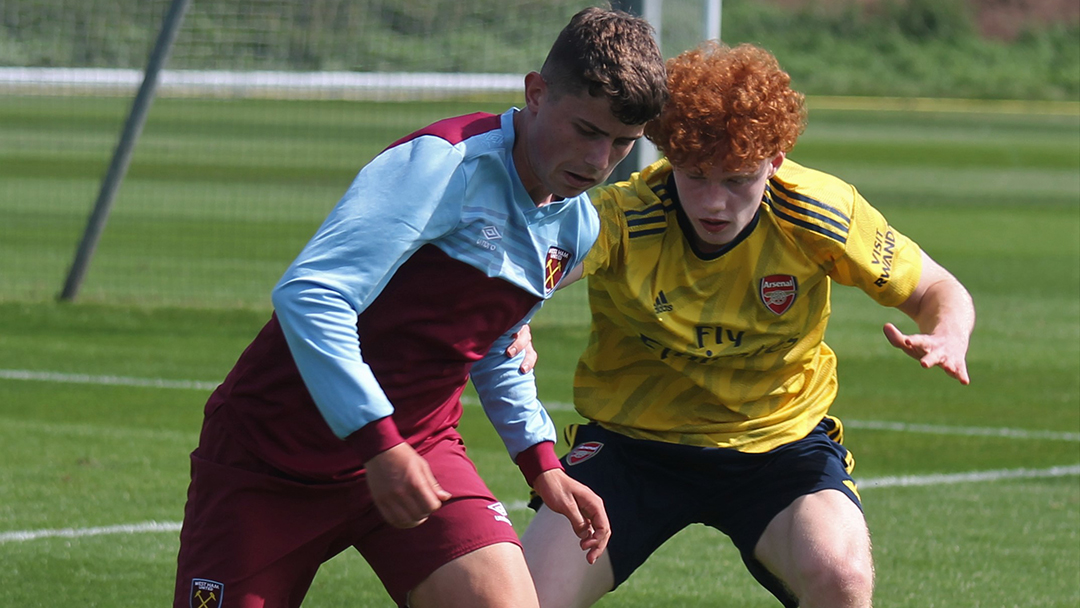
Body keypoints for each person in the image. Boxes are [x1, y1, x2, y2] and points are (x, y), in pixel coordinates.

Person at [173, 8, 668, 608]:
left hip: (420, 450)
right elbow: (312, 296)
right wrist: (378, 441)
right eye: (586, 130)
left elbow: (494, 340)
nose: (598, 161)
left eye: (621, 143)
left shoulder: (576, 225)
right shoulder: (443, 164)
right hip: (272, 458)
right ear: (536, 93)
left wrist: (542, 463)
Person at [520, 41, 976, 608]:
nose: (714, 202)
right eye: (695, 176)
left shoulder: (820, 214)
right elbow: (523, 272)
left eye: (737, 179)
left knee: (842, 579)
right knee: (521, 600)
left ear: (776, 158)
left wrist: (949, 333)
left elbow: (938, 288)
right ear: (669, 158)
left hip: (779, 448)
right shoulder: (624, 215)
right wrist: (515, 313)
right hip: (632, 449)